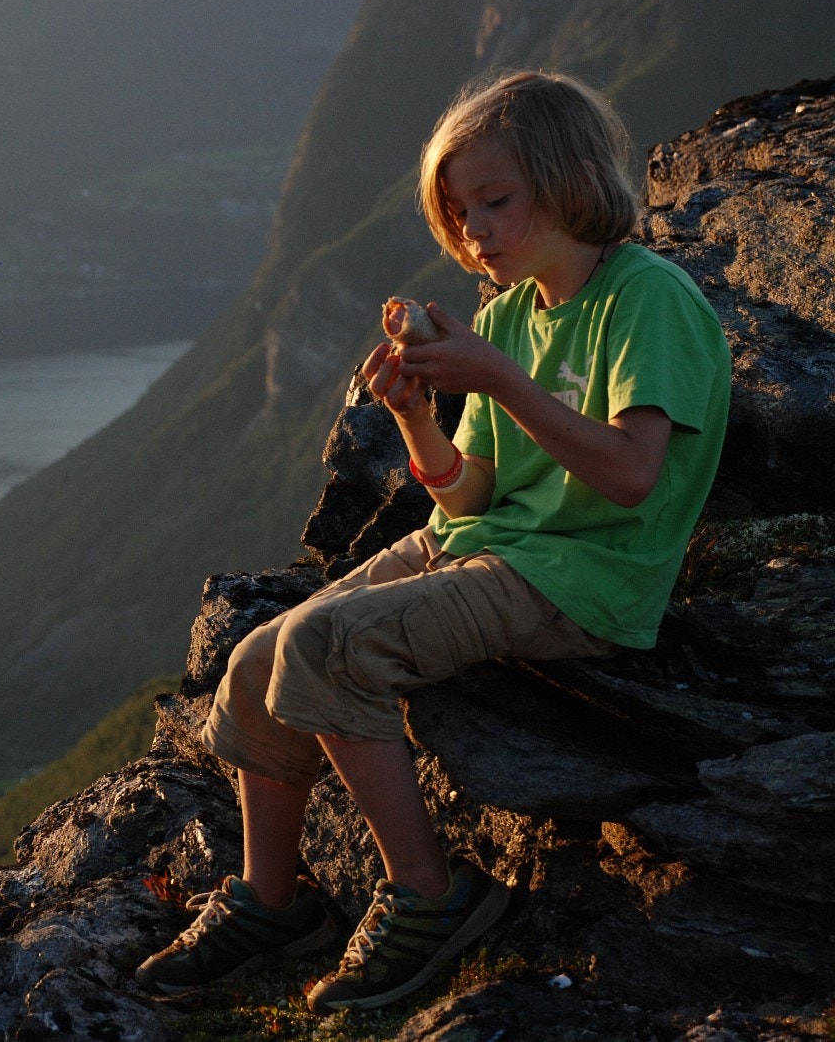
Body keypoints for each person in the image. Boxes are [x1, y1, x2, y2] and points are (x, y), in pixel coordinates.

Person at [134, 69, 731, 1012]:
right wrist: (419, 419)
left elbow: (631, 475)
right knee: (256, 658)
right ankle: (271, 900)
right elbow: (470, 497)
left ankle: (431, 894)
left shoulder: (645, 299)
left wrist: (498, 378)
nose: (474, 231)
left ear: (571, 176)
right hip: (492, 545)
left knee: (326, 648)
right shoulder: (507, 315)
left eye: (496, 201)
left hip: (587, 573)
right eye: (459, 213)